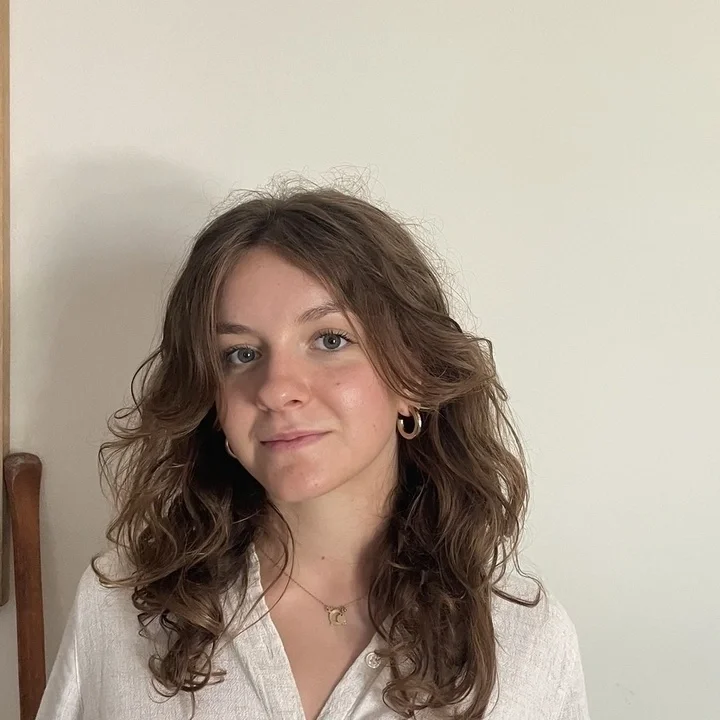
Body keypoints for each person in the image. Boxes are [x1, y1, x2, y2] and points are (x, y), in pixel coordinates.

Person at [35, 180, 591, 720]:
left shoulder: (524, 642)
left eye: (330, 340)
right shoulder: (118, 609)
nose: (277, 389)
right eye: (240, 354)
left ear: (413, 375)